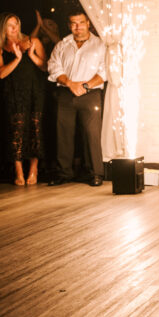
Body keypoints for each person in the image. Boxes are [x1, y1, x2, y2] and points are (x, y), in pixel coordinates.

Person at [46, 11, 107, 186]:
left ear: (88, 23)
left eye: (81, 22)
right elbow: (53, 67)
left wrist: (85, 86)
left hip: (91, 93)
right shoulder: (62, 44)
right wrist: (70, 83)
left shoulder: (100, 45)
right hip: (65, 92)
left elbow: (105, 71)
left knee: (91, 134)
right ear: (69, 25)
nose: (77, 27)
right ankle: (63, 173)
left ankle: (95, 173)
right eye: (73, 23)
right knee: (63, 133)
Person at [0, 12, 47, 186]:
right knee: (16, 131)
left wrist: (31, 55)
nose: (15, 28)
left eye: (16, 23)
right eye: (10, 25)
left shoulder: (33, 41)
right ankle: (18, 171)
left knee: (35, 128)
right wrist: (17, 58)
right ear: (2, 28)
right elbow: (0, 74)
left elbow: (46, 67)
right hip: (13, 92)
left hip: (34, 91)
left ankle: (33, 169)